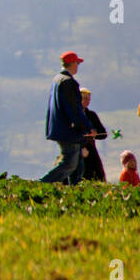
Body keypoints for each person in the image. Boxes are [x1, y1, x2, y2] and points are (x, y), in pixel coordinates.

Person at [40, 51, 94, 183]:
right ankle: (41, 183)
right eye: (77, 63)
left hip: (58, 127)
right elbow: (74, 109)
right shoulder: (69, 82)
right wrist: (86, 127)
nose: (78, 66)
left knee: (77, 166)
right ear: (73, 63)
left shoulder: (57, 79)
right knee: (69, 163)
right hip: (68, 130)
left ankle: (74, 189)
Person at [77, 89, 108, 183]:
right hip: (76, 148)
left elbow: (103, 134)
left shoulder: (91, 115)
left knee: (97, 175)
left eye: (88, 99)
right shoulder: (73, 115)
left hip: (91, 148)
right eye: (84, 99)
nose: (87, 101)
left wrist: (95, 134)